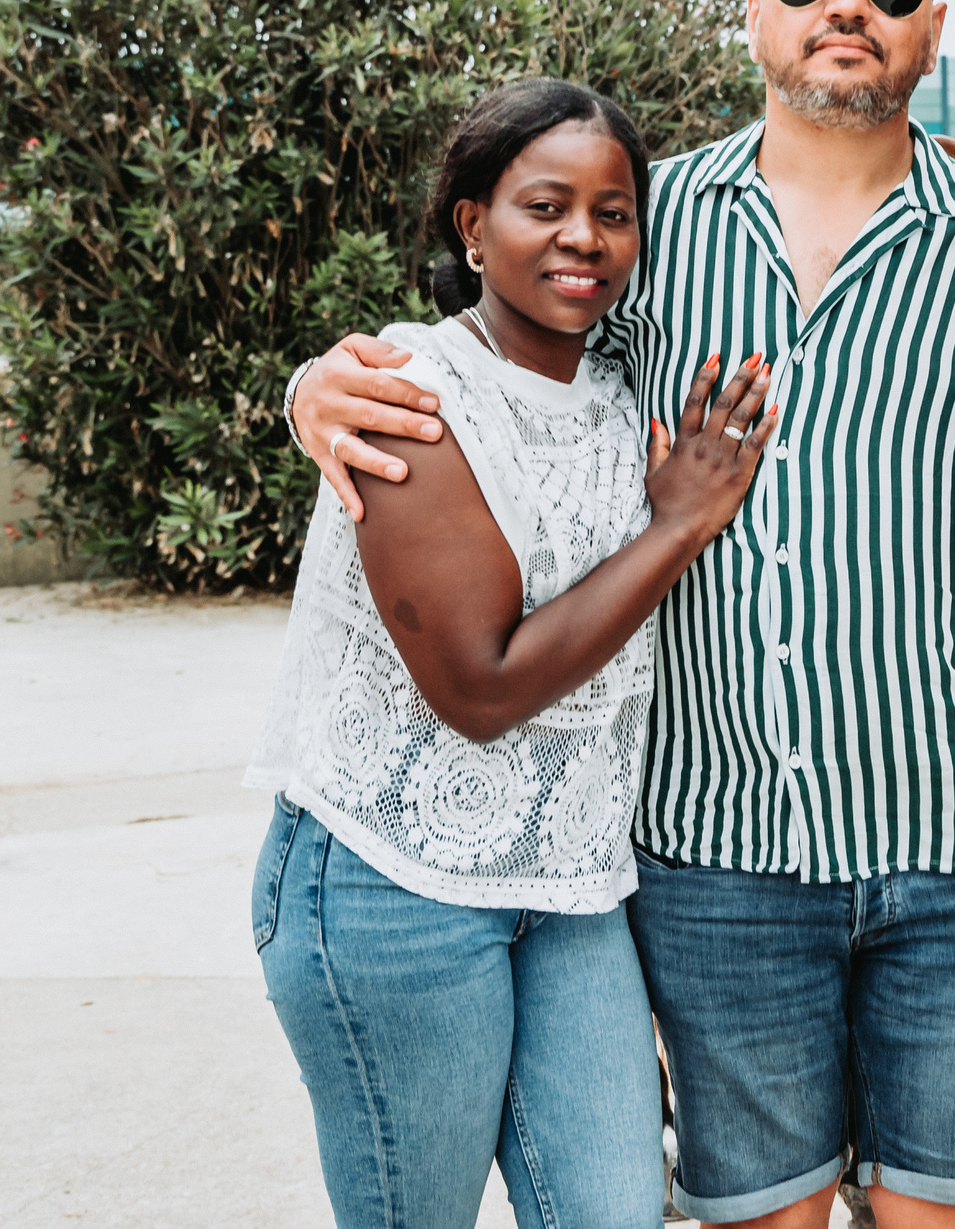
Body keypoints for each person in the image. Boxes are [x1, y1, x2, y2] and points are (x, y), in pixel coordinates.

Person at [290, 0, 955, 1229]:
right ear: (753, 7)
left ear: (932, 29)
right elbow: (506, 363)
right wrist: (321, 386)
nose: (847, 8)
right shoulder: (653, 229)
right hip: (720, 863)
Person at [247, 77, 776, 1229]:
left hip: (574, 887)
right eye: (545, 206)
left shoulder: (620, 384)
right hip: (394, 884)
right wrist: (683, 523)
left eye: (614, 211)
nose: (583, 237)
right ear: (471, 225)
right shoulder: (412, 401)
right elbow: (480, 690)